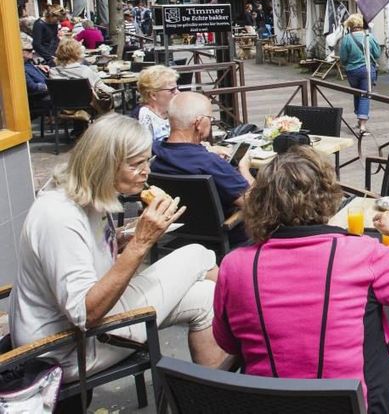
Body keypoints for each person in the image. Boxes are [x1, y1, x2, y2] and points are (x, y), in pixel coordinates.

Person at [212, 146, 389, 414]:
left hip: (269, 405)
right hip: (359, 406)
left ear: (261, 202)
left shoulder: (234, 265)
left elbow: (227, 342)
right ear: (327, 197)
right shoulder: (361, 253)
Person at [8, 114, 225, 380]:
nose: (146, 171)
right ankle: (256, 324)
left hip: (85, 329)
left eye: (147, 160)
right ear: (104, 166)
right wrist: (141, 242)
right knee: (197, 254)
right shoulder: (59, 216)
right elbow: (86, 314)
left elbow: (86, 253)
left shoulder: (86, 194)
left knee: (206, 297)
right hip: (63, 351)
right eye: (136, 164)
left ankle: (216, 395)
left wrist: (120, 238)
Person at [150, 92, 253, 244]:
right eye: (210, 119)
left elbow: (185, 155)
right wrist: (244, 168)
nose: (210, 123)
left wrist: (206, 149)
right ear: (198, 123)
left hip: (178, 232)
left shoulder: (156, 153)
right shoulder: (210, 163)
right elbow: (255, 202)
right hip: (227, 236)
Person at [338, 14, 381, 136]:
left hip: (352, 71)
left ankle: (359, 118)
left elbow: (343, 58)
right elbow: (377, 54)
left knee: (357, 94)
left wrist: (347, 64)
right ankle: (362, 126)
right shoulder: (369, 36)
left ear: (350, 25)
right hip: (367, 70)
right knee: (365, 96)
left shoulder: (346, 39)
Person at [51, 37, 119, 113]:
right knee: (116, 95)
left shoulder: (53, 72)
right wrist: (117, 92)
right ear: (77, 53)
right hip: (89, 106)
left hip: (63, 106)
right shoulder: (85, 71)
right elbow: (102, 87)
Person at [137, 64, 180, 142]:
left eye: (177, 88)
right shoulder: (145, 116)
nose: (178, 92)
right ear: (153, 95)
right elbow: (146, 148)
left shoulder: (174, 110)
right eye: (172, 90)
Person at [21, 34, 51, 114]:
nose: (33, 51)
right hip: (41, 96)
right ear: (21, 52)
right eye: (29, 50)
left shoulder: (28, 62)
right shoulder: (20, 69)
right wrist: (51, 87)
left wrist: (37, 66)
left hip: (47, 90)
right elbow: (33, 87)